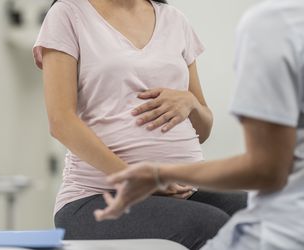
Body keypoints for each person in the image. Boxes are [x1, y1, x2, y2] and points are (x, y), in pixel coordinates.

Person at [33, 0, 246, 249]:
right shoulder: (68, 13)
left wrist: (191, 103)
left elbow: (203, 130)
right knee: (211, 226)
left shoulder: (174, 20)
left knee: (261, 211)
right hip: (97, 197)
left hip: (182, 191)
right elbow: (61, 122)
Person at [94, 0, 304, 249]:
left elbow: (265, 167)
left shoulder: (272, 25)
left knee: (236, 212)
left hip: (283, 218)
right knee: (213, 221)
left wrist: (160, 174)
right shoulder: (71, 13)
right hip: (98, 191)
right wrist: (141, 177)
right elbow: (61, 121)